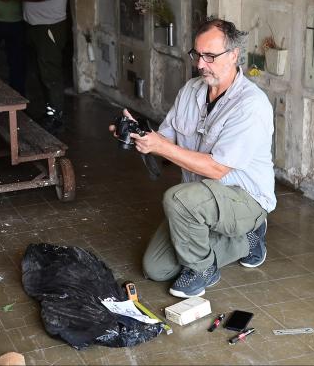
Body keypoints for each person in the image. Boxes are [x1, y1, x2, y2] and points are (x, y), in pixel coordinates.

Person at [115, 18, 275, 298]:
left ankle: (207, 267)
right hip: (200, 200)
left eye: (210, 56)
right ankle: (243, 240)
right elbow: (167, 140)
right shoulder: (191, 90)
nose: (201, 64)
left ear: (234, 55)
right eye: (197, 55)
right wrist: (142, 135)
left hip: (244, 198)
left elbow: (217, 169)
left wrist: (161, 147)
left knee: (178, 199)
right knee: (156, 268)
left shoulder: (251, 105)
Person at [8, 0, 68, 133]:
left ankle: (56, 117)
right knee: (43, 73)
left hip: (48, 25)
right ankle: (51, 112)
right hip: (38, 25)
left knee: (50, 74)